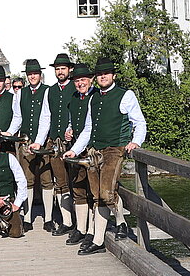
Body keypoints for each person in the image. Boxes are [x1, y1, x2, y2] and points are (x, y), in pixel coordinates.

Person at [65, 59, 147, 256]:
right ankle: (107, 233)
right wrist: (75, 150)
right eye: (100, 74)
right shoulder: (94, 98)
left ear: (113, 76)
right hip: (95, 150)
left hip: (115, 149)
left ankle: (108, 231)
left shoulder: (125, 95)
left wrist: (136, 142)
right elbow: (88, 128)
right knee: (96, 194)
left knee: (105, 193)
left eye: (107, 73)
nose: (103, 76)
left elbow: (139, 122)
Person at [36, 52, 76, 236]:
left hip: (74, 143)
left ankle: (83, 222)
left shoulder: (77, 88)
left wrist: (70, 128)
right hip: (55, 142)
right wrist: (39, 141)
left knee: (78, 181)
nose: (60, 72)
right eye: (58, 69)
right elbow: (45, 117)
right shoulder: (49, 91)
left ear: (70, 69)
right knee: (60, 182)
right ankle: (66, 220)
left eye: (63, 68)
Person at [62, 62, 96, 245]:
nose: (80, 83)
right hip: (76, 150)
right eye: (77, 80)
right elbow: (71, 120)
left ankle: (92, 230)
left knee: (94, 191)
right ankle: (80, 229)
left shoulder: (97, 96)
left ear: (90, 79)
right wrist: (69, 129)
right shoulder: (74, 98)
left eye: (83, 79)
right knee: (78, 189)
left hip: (93, 150)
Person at [17, 58, 53, 229]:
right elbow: (18, 117)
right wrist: (10, 132)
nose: (32, 76)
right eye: (30, 74)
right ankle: (28, 217)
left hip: (44, 141)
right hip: (26, 140)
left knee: (46, 179)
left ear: (40, 74)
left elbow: (47, 118)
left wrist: (40, 140)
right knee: (27, 179)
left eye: (35, 73)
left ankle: (48, 218)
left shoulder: (47, 91)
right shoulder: (20, 93)